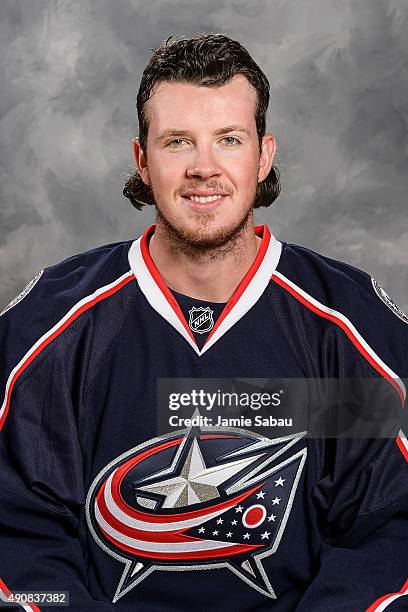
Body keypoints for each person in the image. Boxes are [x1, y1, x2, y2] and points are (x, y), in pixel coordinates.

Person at [0, 32, 407, 612]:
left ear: (263, 156)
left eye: (228, 139)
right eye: (178, 142)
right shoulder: (53, 327)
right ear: (142, 159)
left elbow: (388, 530)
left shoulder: (345, 326)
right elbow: (19, 537)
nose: (204, 168)